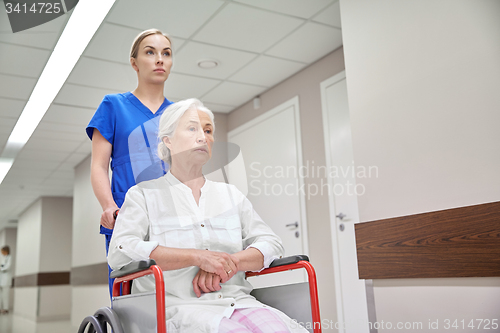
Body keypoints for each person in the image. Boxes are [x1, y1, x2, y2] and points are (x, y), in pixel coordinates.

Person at [108, 99, 308, 332]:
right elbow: (120, 251)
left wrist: (229, 262)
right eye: (192, 128)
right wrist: (197, 257)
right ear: (168, 141)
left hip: (237, 302)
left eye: (208, 130)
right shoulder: (143, 195)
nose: (203, 136)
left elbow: (270, 242)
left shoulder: (230, 195)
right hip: (177, 306)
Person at [86, 29, 174, 297]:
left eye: (166, 53)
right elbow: (99, 166)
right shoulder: (113, 106)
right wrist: (108, 206)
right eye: (150, 52)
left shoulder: (178, 114)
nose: (159, 59)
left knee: (175, 302)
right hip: (127, 220)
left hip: (173, 221)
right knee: (131, 305)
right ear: (134, 63)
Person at [0, 246, 11, 314]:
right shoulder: (4, 258)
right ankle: (1, 308)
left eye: (2, 251)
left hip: (6, 279)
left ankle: (5, 308)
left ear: (6, 251)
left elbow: (8, 266)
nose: (1, 253)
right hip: (2, 279)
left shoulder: (9, 257)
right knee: (1, 295)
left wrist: (1, 268)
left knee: (5, 295)